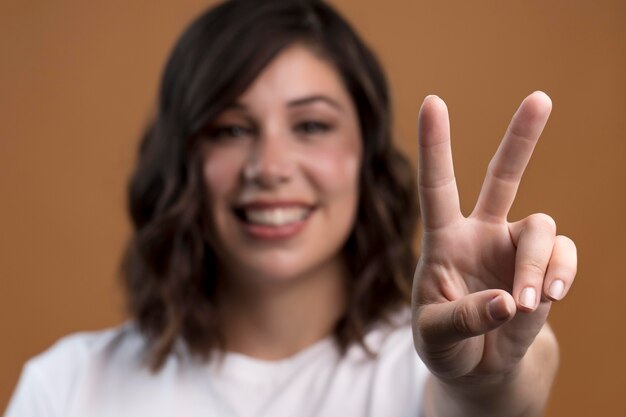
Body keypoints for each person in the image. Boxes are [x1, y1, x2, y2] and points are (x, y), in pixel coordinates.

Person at [5, 1, 577, 416]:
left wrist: (484, 380)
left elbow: (501, 394)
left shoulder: (423, 366)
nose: (270, 166)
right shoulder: (67, 387)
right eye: (230, 128)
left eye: (311, 125)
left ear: (366, 156)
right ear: (182, 162)